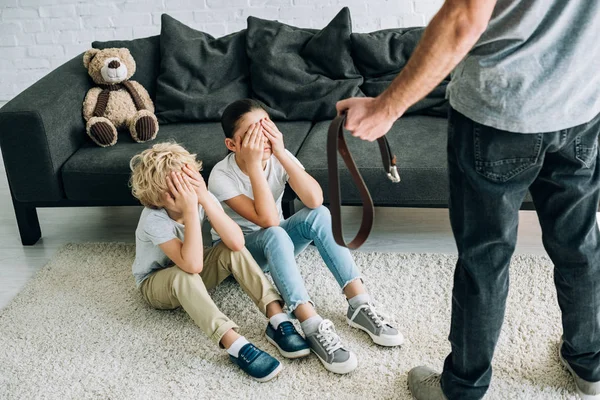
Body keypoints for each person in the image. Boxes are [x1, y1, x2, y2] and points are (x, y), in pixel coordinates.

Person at [336, 0, 600, 398]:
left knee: (485, 258)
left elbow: (463, 17)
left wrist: (385, 108)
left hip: (500, 114)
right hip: (581, 106)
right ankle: (591, 366)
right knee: (580, 243)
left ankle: (462, 388)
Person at [207, 99, 404, 375]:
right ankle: (309, 323)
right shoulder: (221, 175)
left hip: (278, 245)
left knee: (319, 214)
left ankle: (358, 303)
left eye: (267, 128)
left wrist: (282, 153)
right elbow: (268, 220)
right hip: (240, 257)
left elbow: (314, 198)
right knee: (274, 230)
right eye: (252, 134)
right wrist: (253, 165)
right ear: (233, 145)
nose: (262, 138)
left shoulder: (276, 156)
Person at [129, 142, 309, 382]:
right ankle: (234, 344)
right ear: (155, 198)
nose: (185, 195)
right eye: (174, 192)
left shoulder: (200, 197)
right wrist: (192, 210)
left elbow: (236, 243)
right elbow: (190, 266)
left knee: (228, 248)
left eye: (188, 184)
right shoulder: (154, 219)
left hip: (192, 268)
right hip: (156, 284)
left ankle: (277, 318)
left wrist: (204, 197)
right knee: (183, 274)